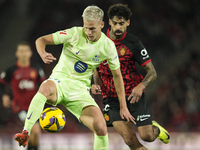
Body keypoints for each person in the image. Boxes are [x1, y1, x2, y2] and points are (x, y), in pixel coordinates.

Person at [14, 5, 135, 150]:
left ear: (102, 25)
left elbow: (117, 76)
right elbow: (41, 40)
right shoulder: (74, 33)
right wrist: (43, 53)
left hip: (80, 91)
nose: (88, 32)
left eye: (92, 28)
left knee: (101, 127)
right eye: (86, 27)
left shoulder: (108, 47)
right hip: (60, 82)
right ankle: (25, 132)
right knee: (45, 88)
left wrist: (123, 106)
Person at [91, 4, 170, 150]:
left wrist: (141, 86)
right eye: (115, 23)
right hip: (111, 98)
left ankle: (156, 130)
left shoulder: (134, 43)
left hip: (133, 96)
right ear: (109, 22)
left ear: (128, 22)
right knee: (130, 140)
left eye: (121, 23)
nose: (118, 27)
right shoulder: (98, 40)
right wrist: (95, 83)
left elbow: (152, 72)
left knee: (147, 136)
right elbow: (96, 67)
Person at [0, 41, 46, 150]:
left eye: (26, 51)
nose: (24, 53)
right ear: (17, 53)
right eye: (21, 51)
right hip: (20, 107)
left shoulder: (36, 68)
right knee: (35, 130)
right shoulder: (11, 70)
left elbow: (44, 83)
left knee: (35, 134)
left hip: (35, 106)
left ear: (30, 53)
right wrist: (3, 96)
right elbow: (1, 83)